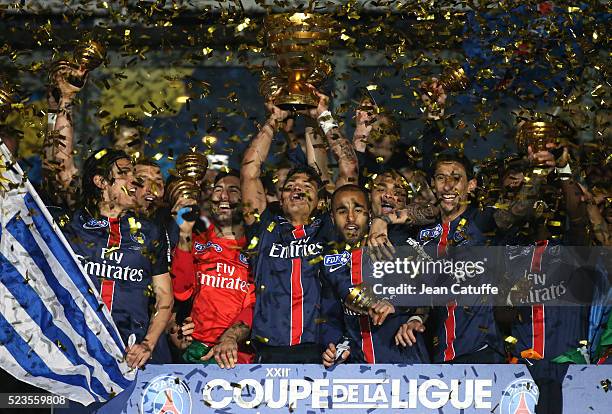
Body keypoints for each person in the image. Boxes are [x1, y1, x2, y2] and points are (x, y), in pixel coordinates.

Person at [240, 87, 360, 363]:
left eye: (306, 186)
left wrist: (323, 115)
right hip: (267, 351)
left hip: (320, 352)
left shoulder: (330, 226)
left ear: (320, 200)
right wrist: (273, 119)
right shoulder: (264, 226)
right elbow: (249, 171)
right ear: (280, 197)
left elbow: (349, 169)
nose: (296, 190)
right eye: (290, 186)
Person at [51, 148, 173, 368]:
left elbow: (165, 297)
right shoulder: (68, 226)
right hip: (78, 354)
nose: (134, 181)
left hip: (134, 354)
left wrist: (148, 343)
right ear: (101, 182)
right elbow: (61, 165)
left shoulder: (150, 232)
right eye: (125, 173)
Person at [320, 184, 428, 367]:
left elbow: (430, 289)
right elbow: (332, 318)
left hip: (406, 362)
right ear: (332, 217)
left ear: (370, 214)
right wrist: (337, 348)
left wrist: (401, 307)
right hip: (359, 372)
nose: (351, 218)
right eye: (342, 211)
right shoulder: (330, 262)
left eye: (358, 210)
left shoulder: (395, 245)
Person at [168, 170, 255, 368]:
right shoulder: (194, 243)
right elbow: (181, 291)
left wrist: (230, 338)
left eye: (233, 190)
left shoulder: (256, 249)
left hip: (238, 356)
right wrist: (185, 233)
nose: (224, 196)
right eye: (218, 189)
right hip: (194, 353)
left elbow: (253, 306)